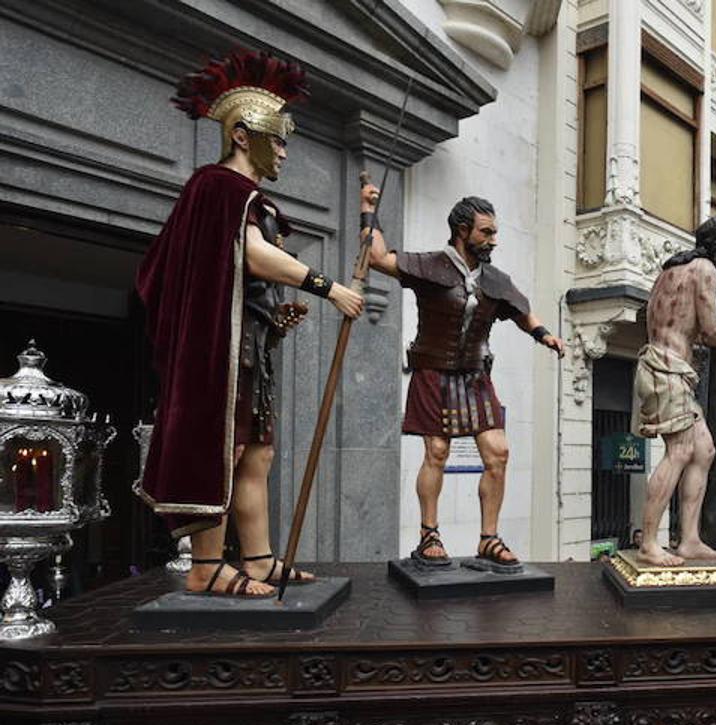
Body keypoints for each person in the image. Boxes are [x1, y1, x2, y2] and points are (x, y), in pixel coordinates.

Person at [135, 50, 365, 597]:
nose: (284, 151)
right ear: (242, 135)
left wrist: (273, 316)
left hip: (248, 343)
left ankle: (257, 559)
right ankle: (207, 566)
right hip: (220, 351)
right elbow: (251, 254)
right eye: (277, 139)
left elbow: (241, 280)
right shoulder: (218, 188)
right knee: (225, 450)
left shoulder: (246, 197)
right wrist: (328, 287)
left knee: (257, 453)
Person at [361, 189, 564, 570]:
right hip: (433, 371)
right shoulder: (431, 265)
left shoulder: (495, 279)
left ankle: (488, 538)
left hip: (474, 376)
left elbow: (522, 312)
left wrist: (544, 335)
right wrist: (368, 211)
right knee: (436, 452)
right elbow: (376, 258)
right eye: (486, 232)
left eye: (494, 232)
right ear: (462, 230)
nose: (493, 240)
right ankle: (429, 534)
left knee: (498, 453)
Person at [629, 216, 716, 567]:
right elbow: (710, 328)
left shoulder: (671, 270)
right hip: (667, 369)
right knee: (679, 451)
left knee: (704, 450)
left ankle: (689, 540)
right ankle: (650, 543)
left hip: (665, 369)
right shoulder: (704, 269)